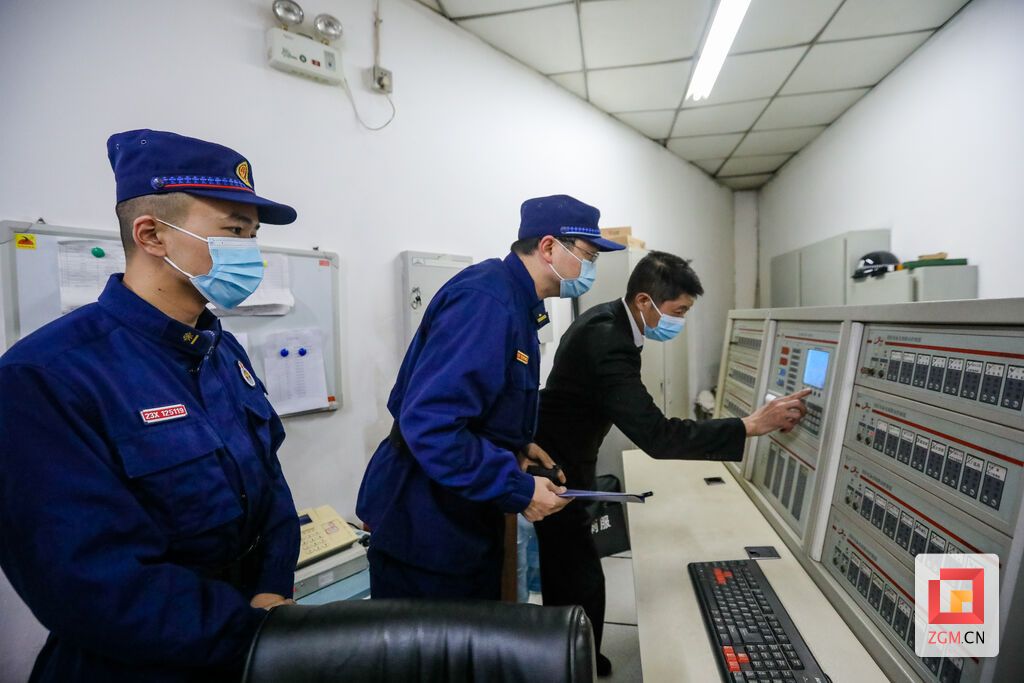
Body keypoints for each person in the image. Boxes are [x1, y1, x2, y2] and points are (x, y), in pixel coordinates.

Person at [0, 129, 302, 682]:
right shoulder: (46, 376)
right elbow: (89, 581)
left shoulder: (218, 349)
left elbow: (268, 482)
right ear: (152, 235)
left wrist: (272, 587)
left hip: (249, 640)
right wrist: (253, 633)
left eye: (253, 236)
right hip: (140, 664)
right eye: (235, 231)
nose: (250, 252)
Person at [534, 250, 810, 676]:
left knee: (569, 563)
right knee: (576, 566)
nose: (680, 321)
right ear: (644, 301)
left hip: (566, 451)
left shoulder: (609, 320)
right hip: (560, 463)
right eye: (678, 311)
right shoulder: (608, 340)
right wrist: (749, 426)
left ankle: (573, 656)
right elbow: (657, 436)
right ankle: (574, 662)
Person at [357, 194, 626, 600]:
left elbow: (483, 402)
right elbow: (432, 425)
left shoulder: (517, 302)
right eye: (588, 256)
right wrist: (517, 488)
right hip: (425, 523)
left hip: (459, 511)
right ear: (549, 247)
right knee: (437, 640)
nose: (591, 269)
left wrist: (519, 445)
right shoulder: (486, 303)